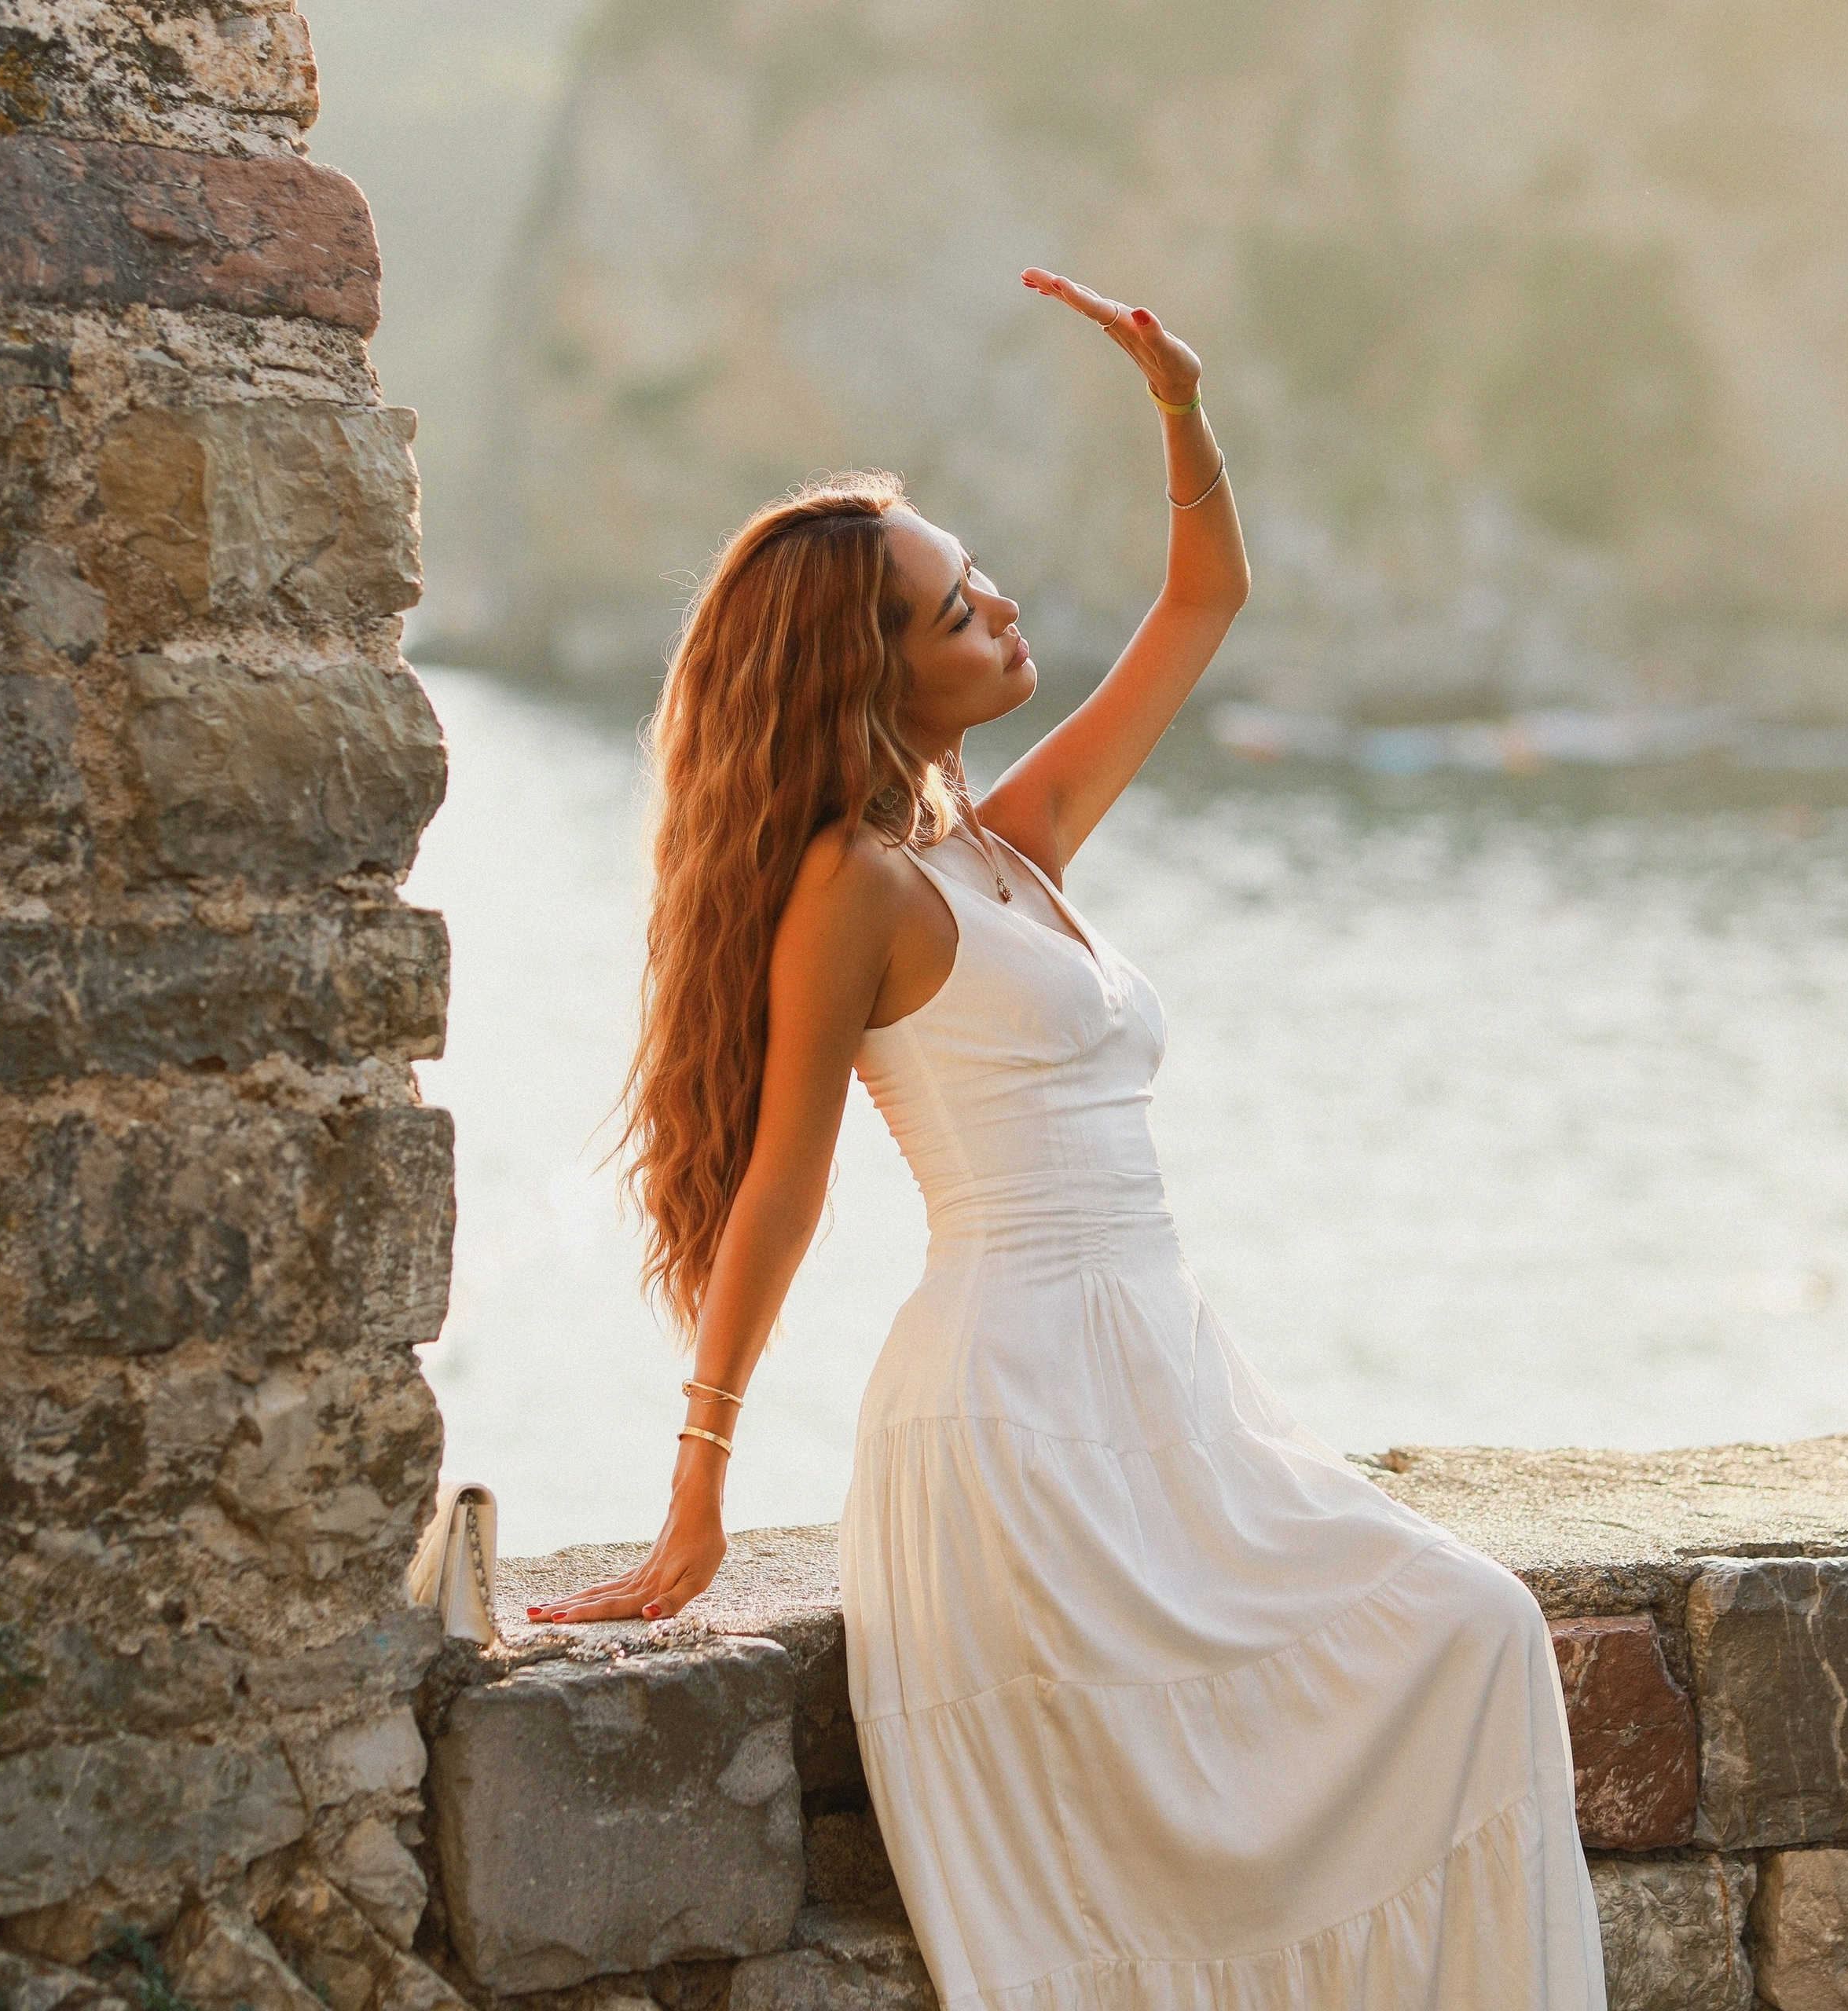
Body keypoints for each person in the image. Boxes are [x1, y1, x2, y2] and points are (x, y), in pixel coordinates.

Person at [531, 270, 1608, 2010]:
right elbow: (784, 1190)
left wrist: (1177, 409)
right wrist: (698, 1488)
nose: (1002, 608)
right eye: (956, 608)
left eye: (978, 577)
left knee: (1466, 1633)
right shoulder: (853, 892)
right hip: (1016, 1408)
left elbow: (1203, 601)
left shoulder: (1005, 845)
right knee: (1236, 1788)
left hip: (1160, 1379)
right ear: (865, 673)